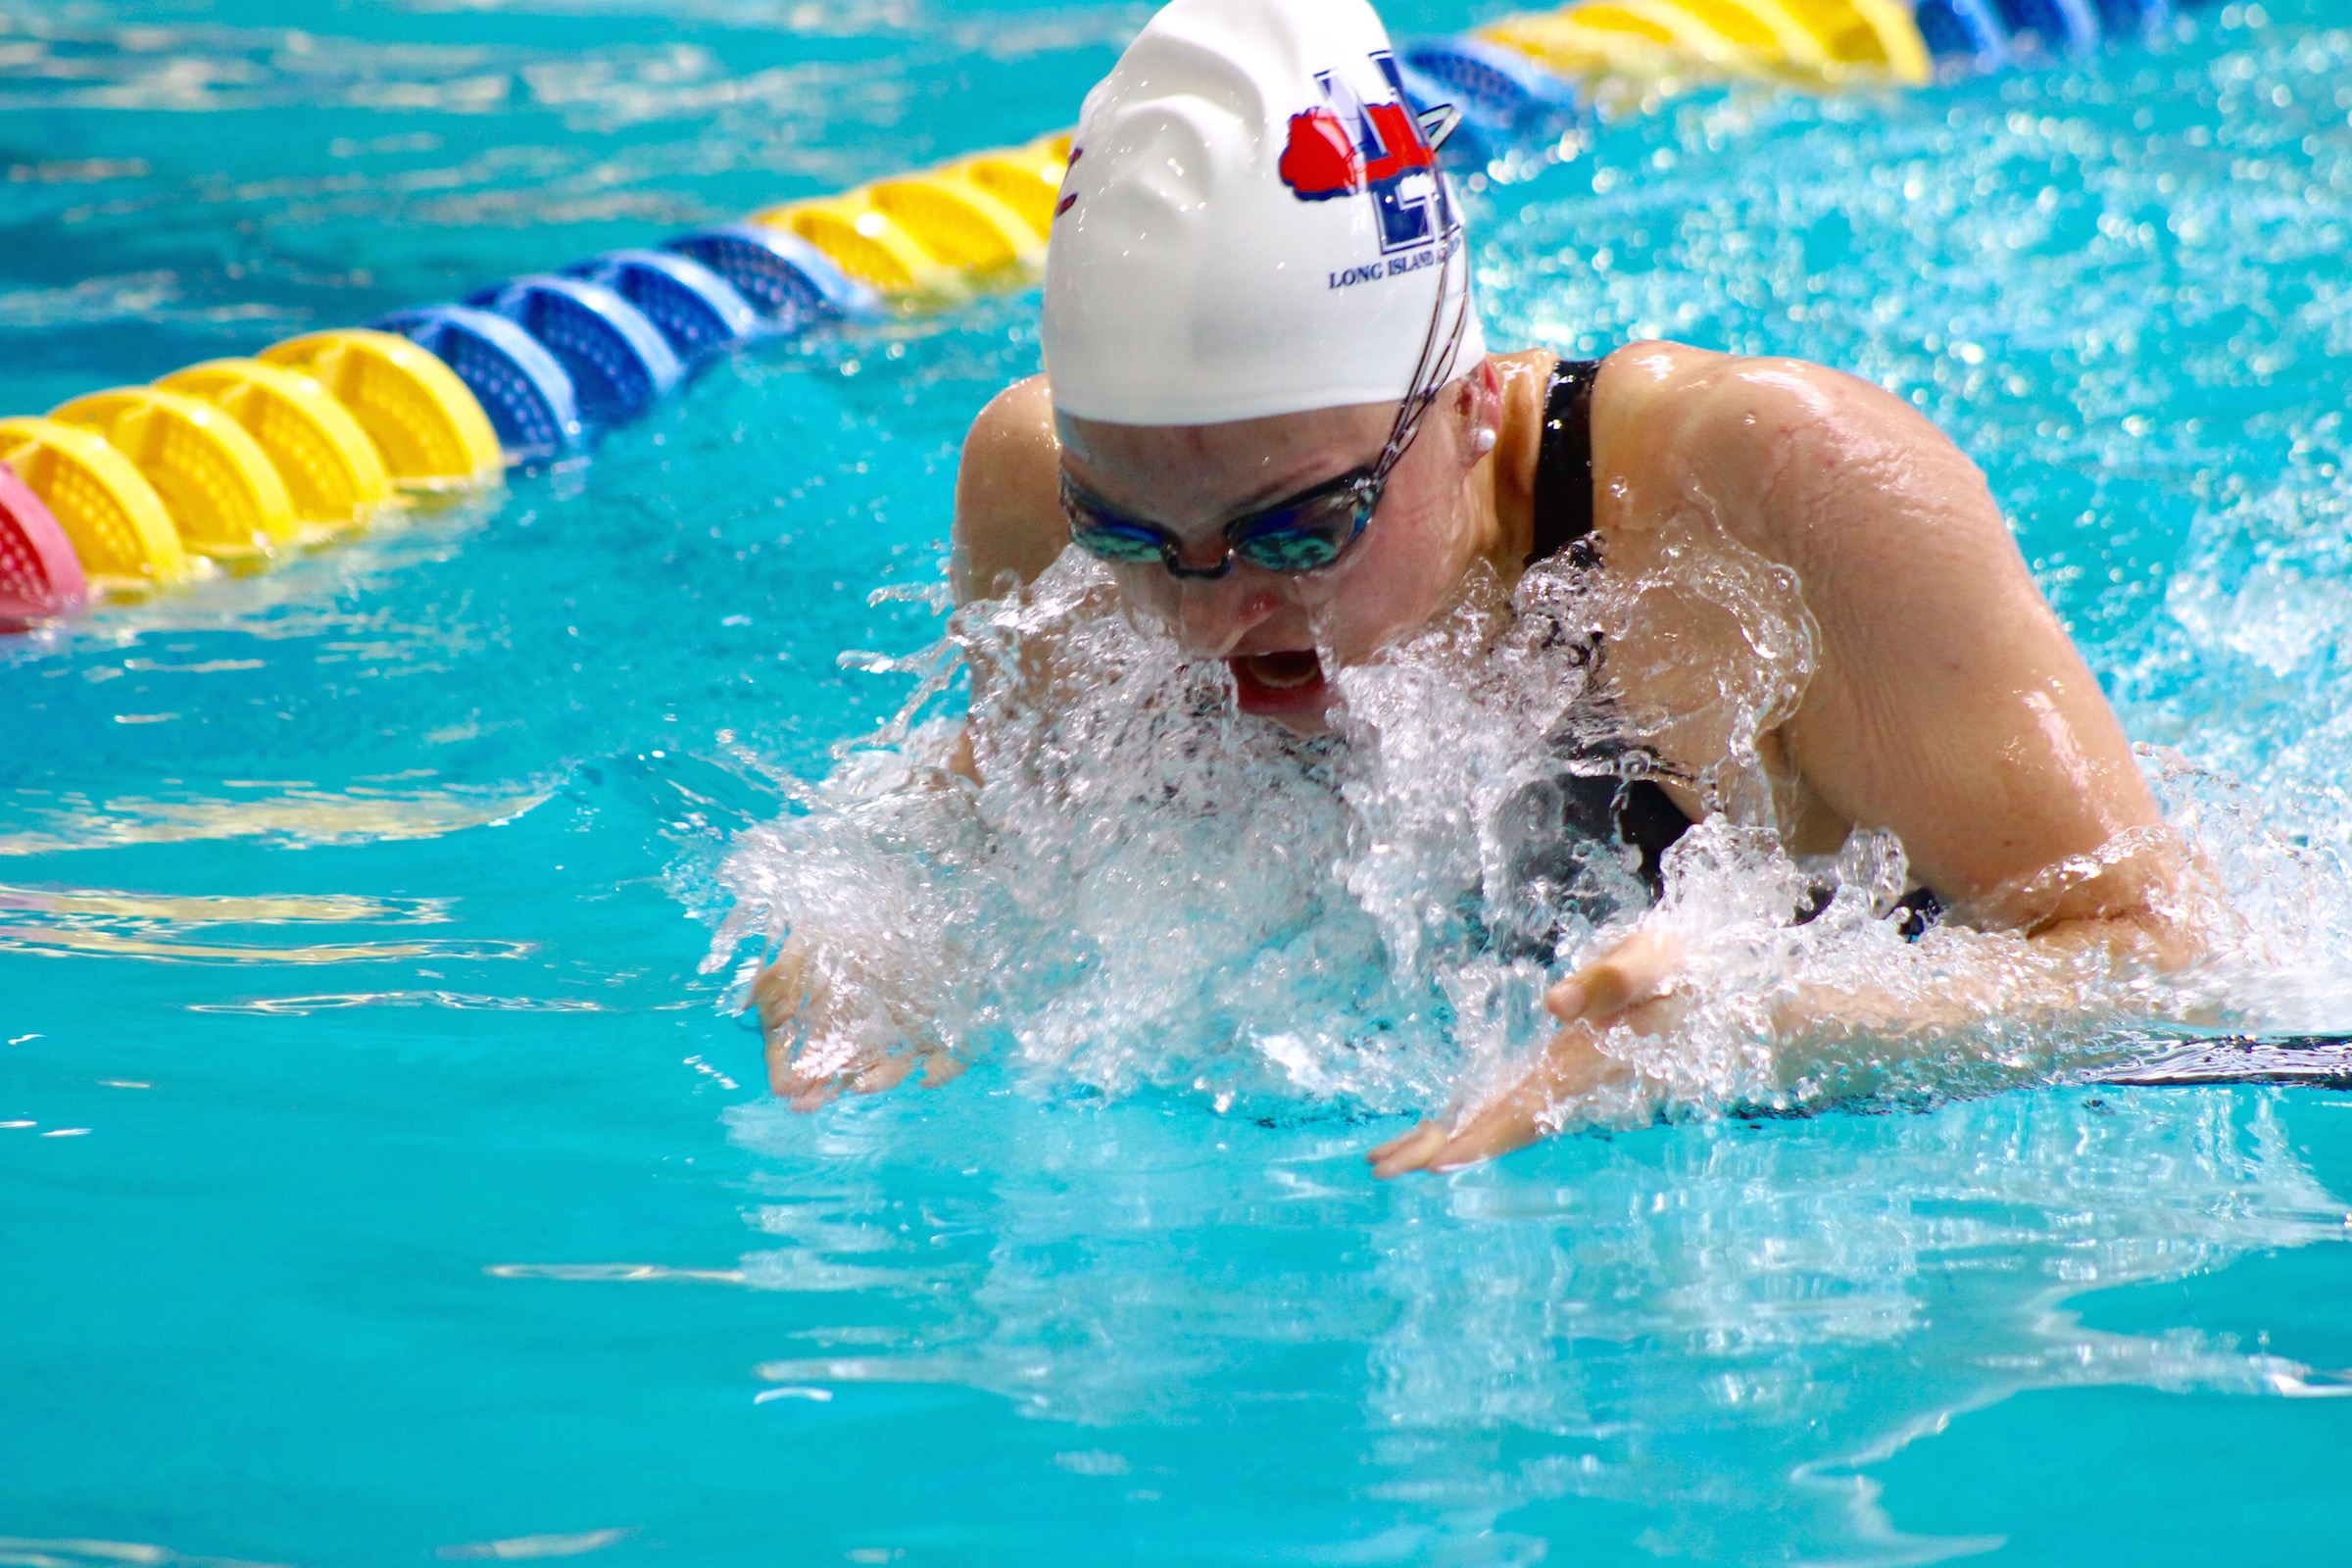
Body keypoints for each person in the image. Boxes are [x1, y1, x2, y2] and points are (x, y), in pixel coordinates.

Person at [754, 0, 2196, 1173]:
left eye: (1298, 531)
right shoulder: (1032, 493)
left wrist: (1781, 1023)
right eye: (1130, 535)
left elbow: (2162, 954)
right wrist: (871, 935)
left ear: (1473, 409)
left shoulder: (1771, 498)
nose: (1203, 618)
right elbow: (997, 812)